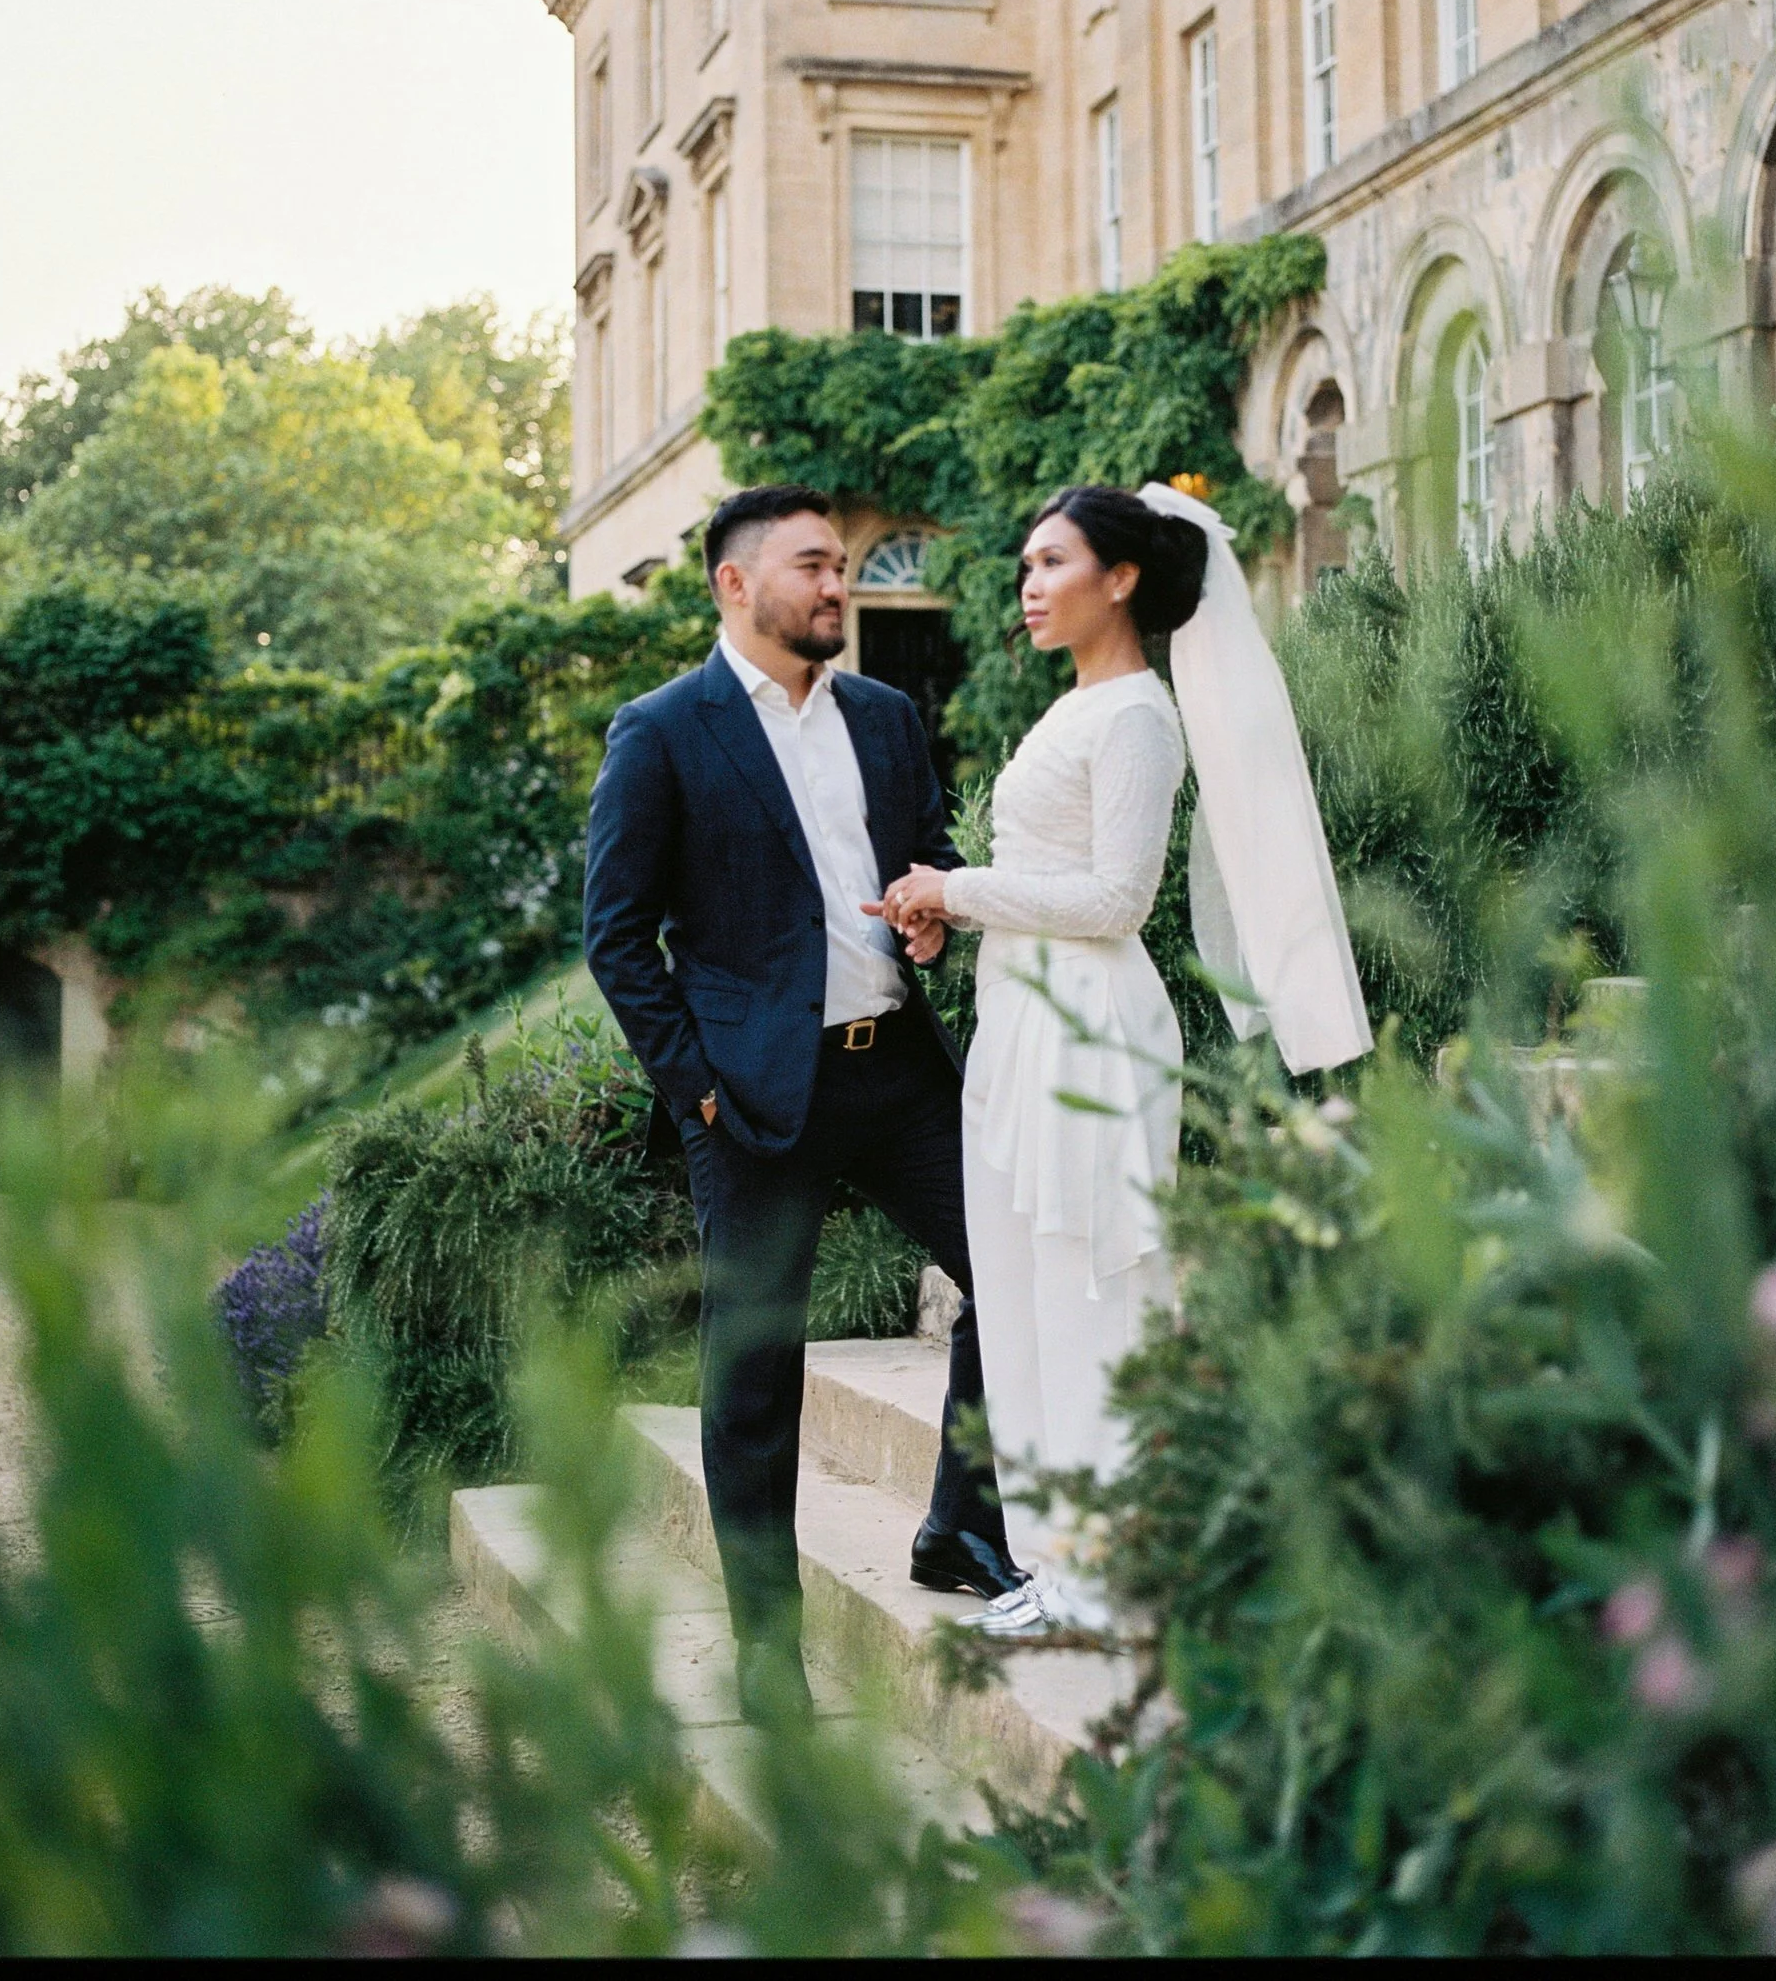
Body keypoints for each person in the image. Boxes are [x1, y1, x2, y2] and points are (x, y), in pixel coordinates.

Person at [870, 481, 1372, 1634]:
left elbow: (1115, 895)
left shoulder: (1140, 715)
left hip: (1091, 1026)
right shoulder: (1075, 708)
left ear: (1123, 578)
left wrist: (957, 887)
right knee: (1029, 1290)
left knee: (1096, 1286)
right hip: (1025, 1017)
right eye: (1025, 568)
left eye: (1052, 562)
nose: (1030, 587)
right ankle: (1068, 1555)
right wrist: (958, 916)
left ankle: (1118, 1568)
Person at [581, 483, 1023, 1727]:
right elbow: (617, 938)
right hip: (754, 1101)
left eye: (843, 568)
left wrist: (927, 921)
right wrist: (700, 1093)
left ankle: (958, 1523)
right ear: (735, 584)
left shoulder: (883, 716)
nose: (839, 586)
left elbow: (917, 856)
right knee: (756, 1368)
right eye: (814, 566)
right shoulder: (663, 731)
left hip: (897, 1071)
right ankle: (765, 1644)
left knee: (1014, 1271)